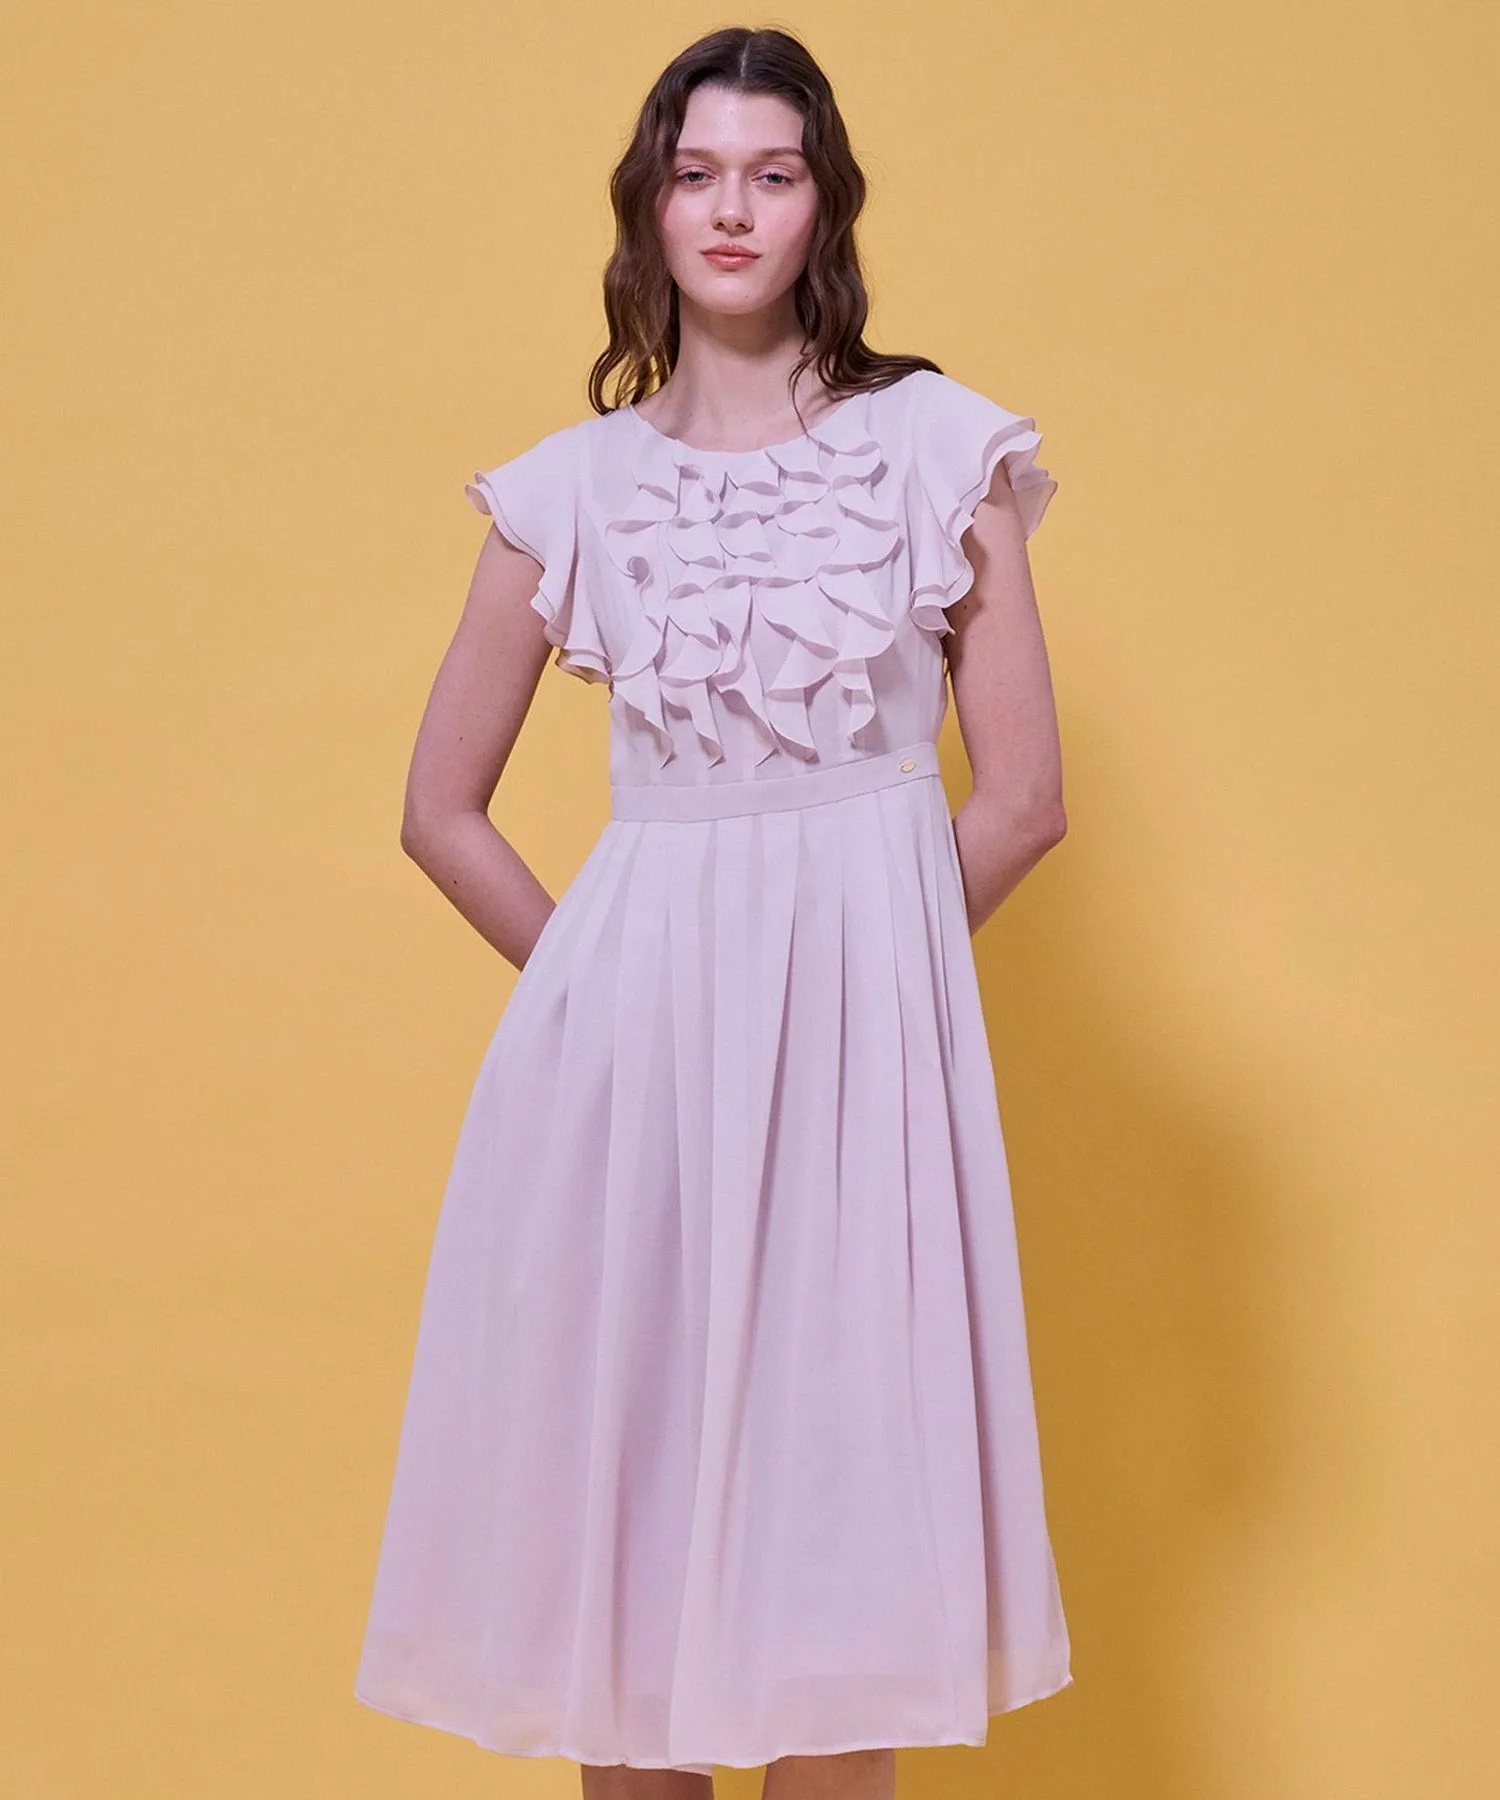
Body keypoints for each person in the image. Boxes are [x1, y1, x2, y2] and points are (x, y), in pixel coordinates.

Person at [354, 24, 1073, 1800]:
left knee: (841, 1584)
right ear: (649, 209)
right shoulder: (569, 490)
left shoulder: (939, 451)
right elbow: (439, 810)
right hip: (631, 1088)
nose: (732, 209)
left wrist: (874, 981)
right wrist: (607, 992)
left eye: (771, 172)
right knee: (633, 1597)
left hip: (859, 1084)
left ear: (825, 203)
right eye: (696, 175)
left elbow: (1024, 799)